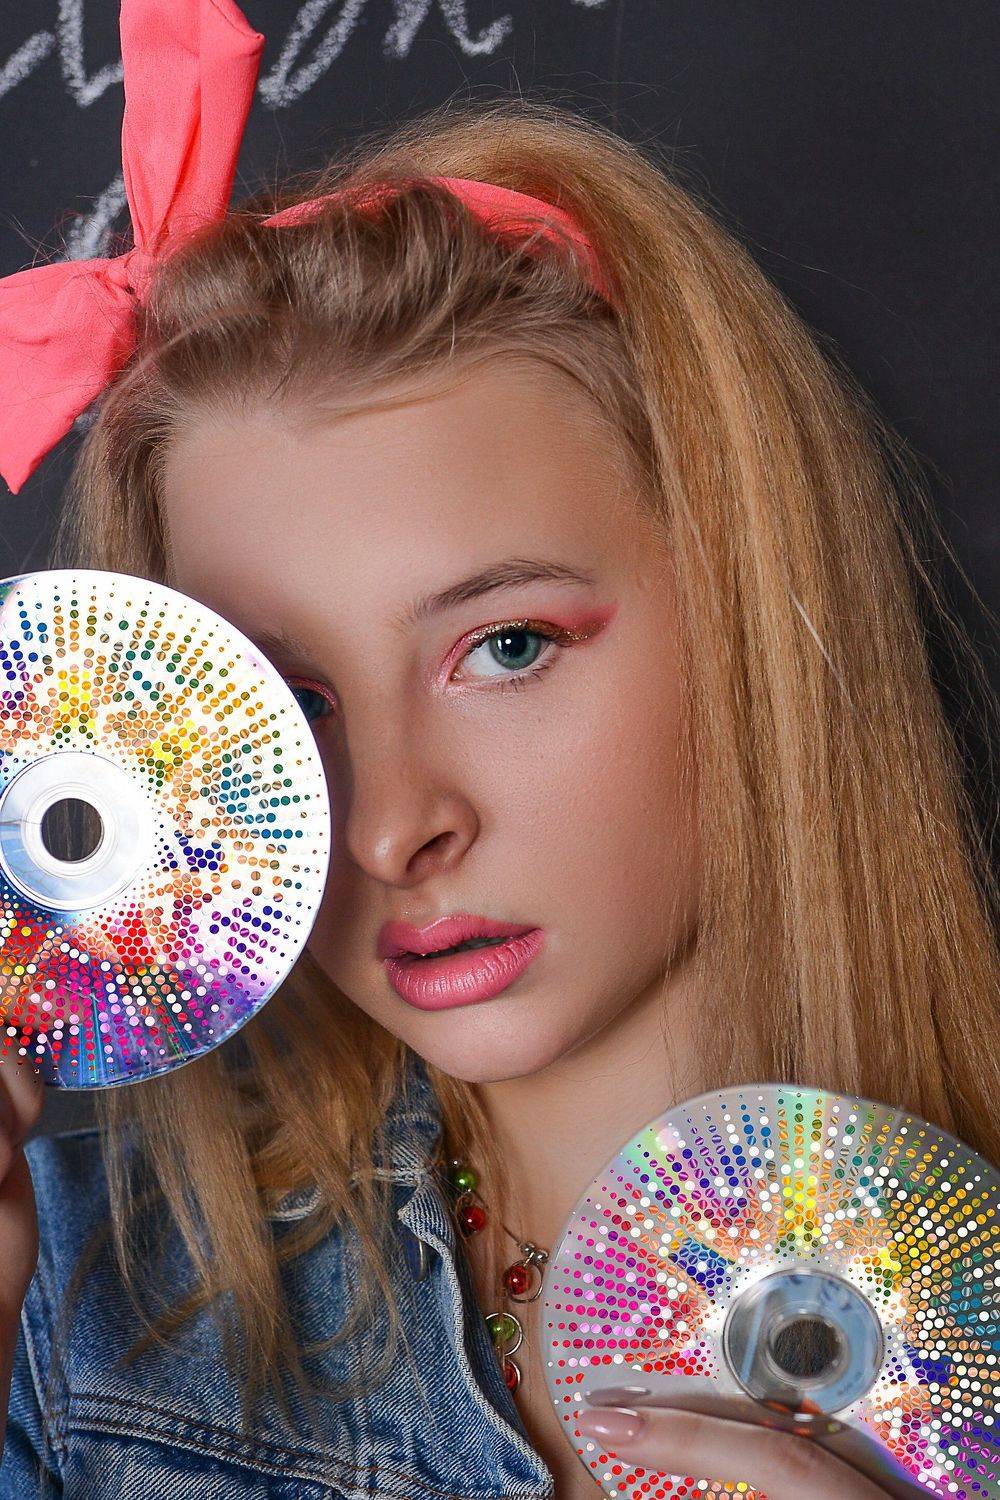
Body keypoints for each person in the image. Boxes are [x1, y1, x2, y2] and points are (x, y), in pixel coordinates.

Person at [0, 2, 996, 1496]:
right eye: (293, 704)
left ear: (749, 616)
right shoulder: (78, 1308)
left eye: (507, 648)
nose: (390, 827)